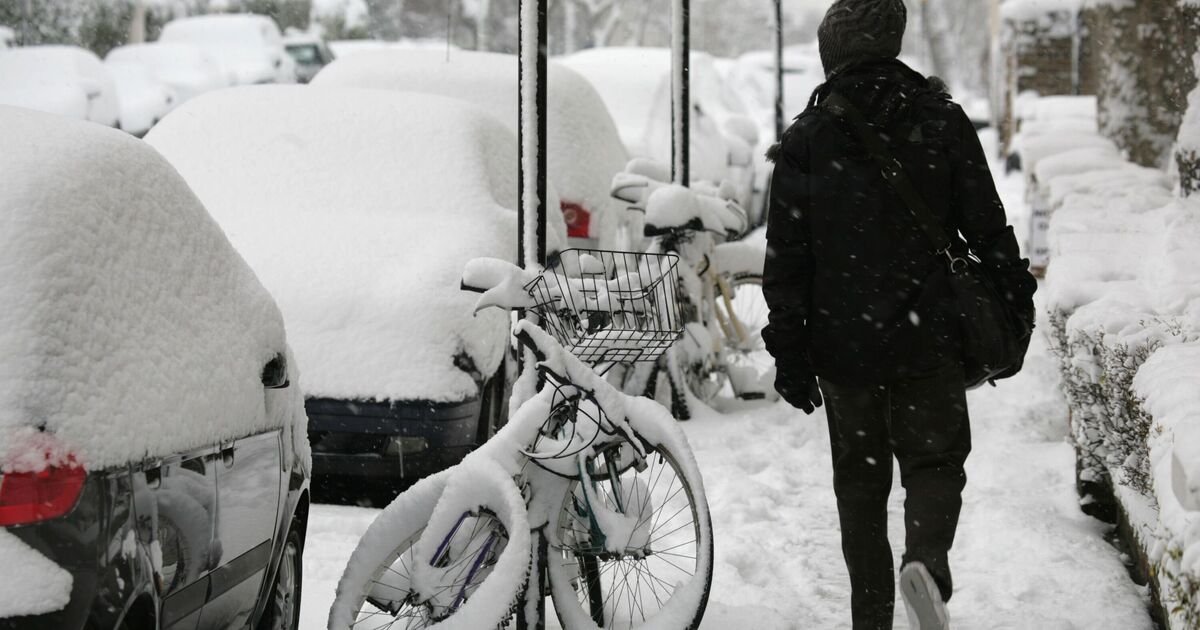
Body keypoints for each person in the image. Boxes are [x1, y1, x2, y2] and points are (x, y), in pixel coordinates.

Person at [762, 0, 1037, 629]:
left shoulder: (808, 136)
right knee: (935, 463)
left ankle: (873, 618)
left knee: (859, 491)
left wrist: (791, 352)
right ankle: (926, 563)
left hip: (843, 347)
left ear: (834, 49)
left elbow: (787, 263)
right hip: (928, 336)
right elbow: (989, 230)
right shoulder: (941, 120)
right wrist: (1015, 302)